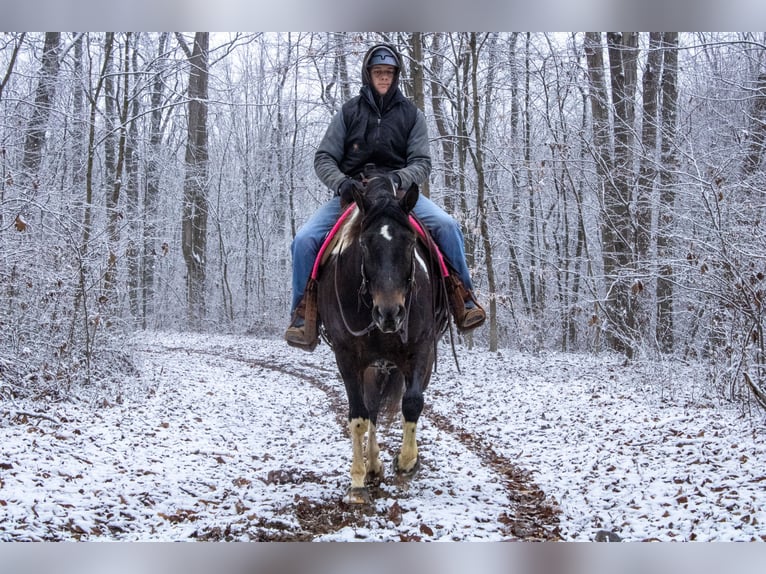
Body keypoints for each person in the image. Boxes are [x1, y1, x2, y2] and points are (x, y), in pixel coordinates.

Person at [286, 43, 485, 350]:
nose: (383, 78)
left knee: (447, 227)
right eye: (378, 72)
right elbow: (324, 157)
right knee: (304, 241)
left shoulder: (411, 115)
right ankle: (303, 315)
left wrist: (397, 177)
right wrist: (342, 184)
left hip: (399, 194)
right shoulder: (349, 112)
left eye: (388, 73)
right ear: (368, 75)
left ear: (396, 76)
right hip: (356, 196)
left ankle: (464, 299)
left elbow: (422, 162)